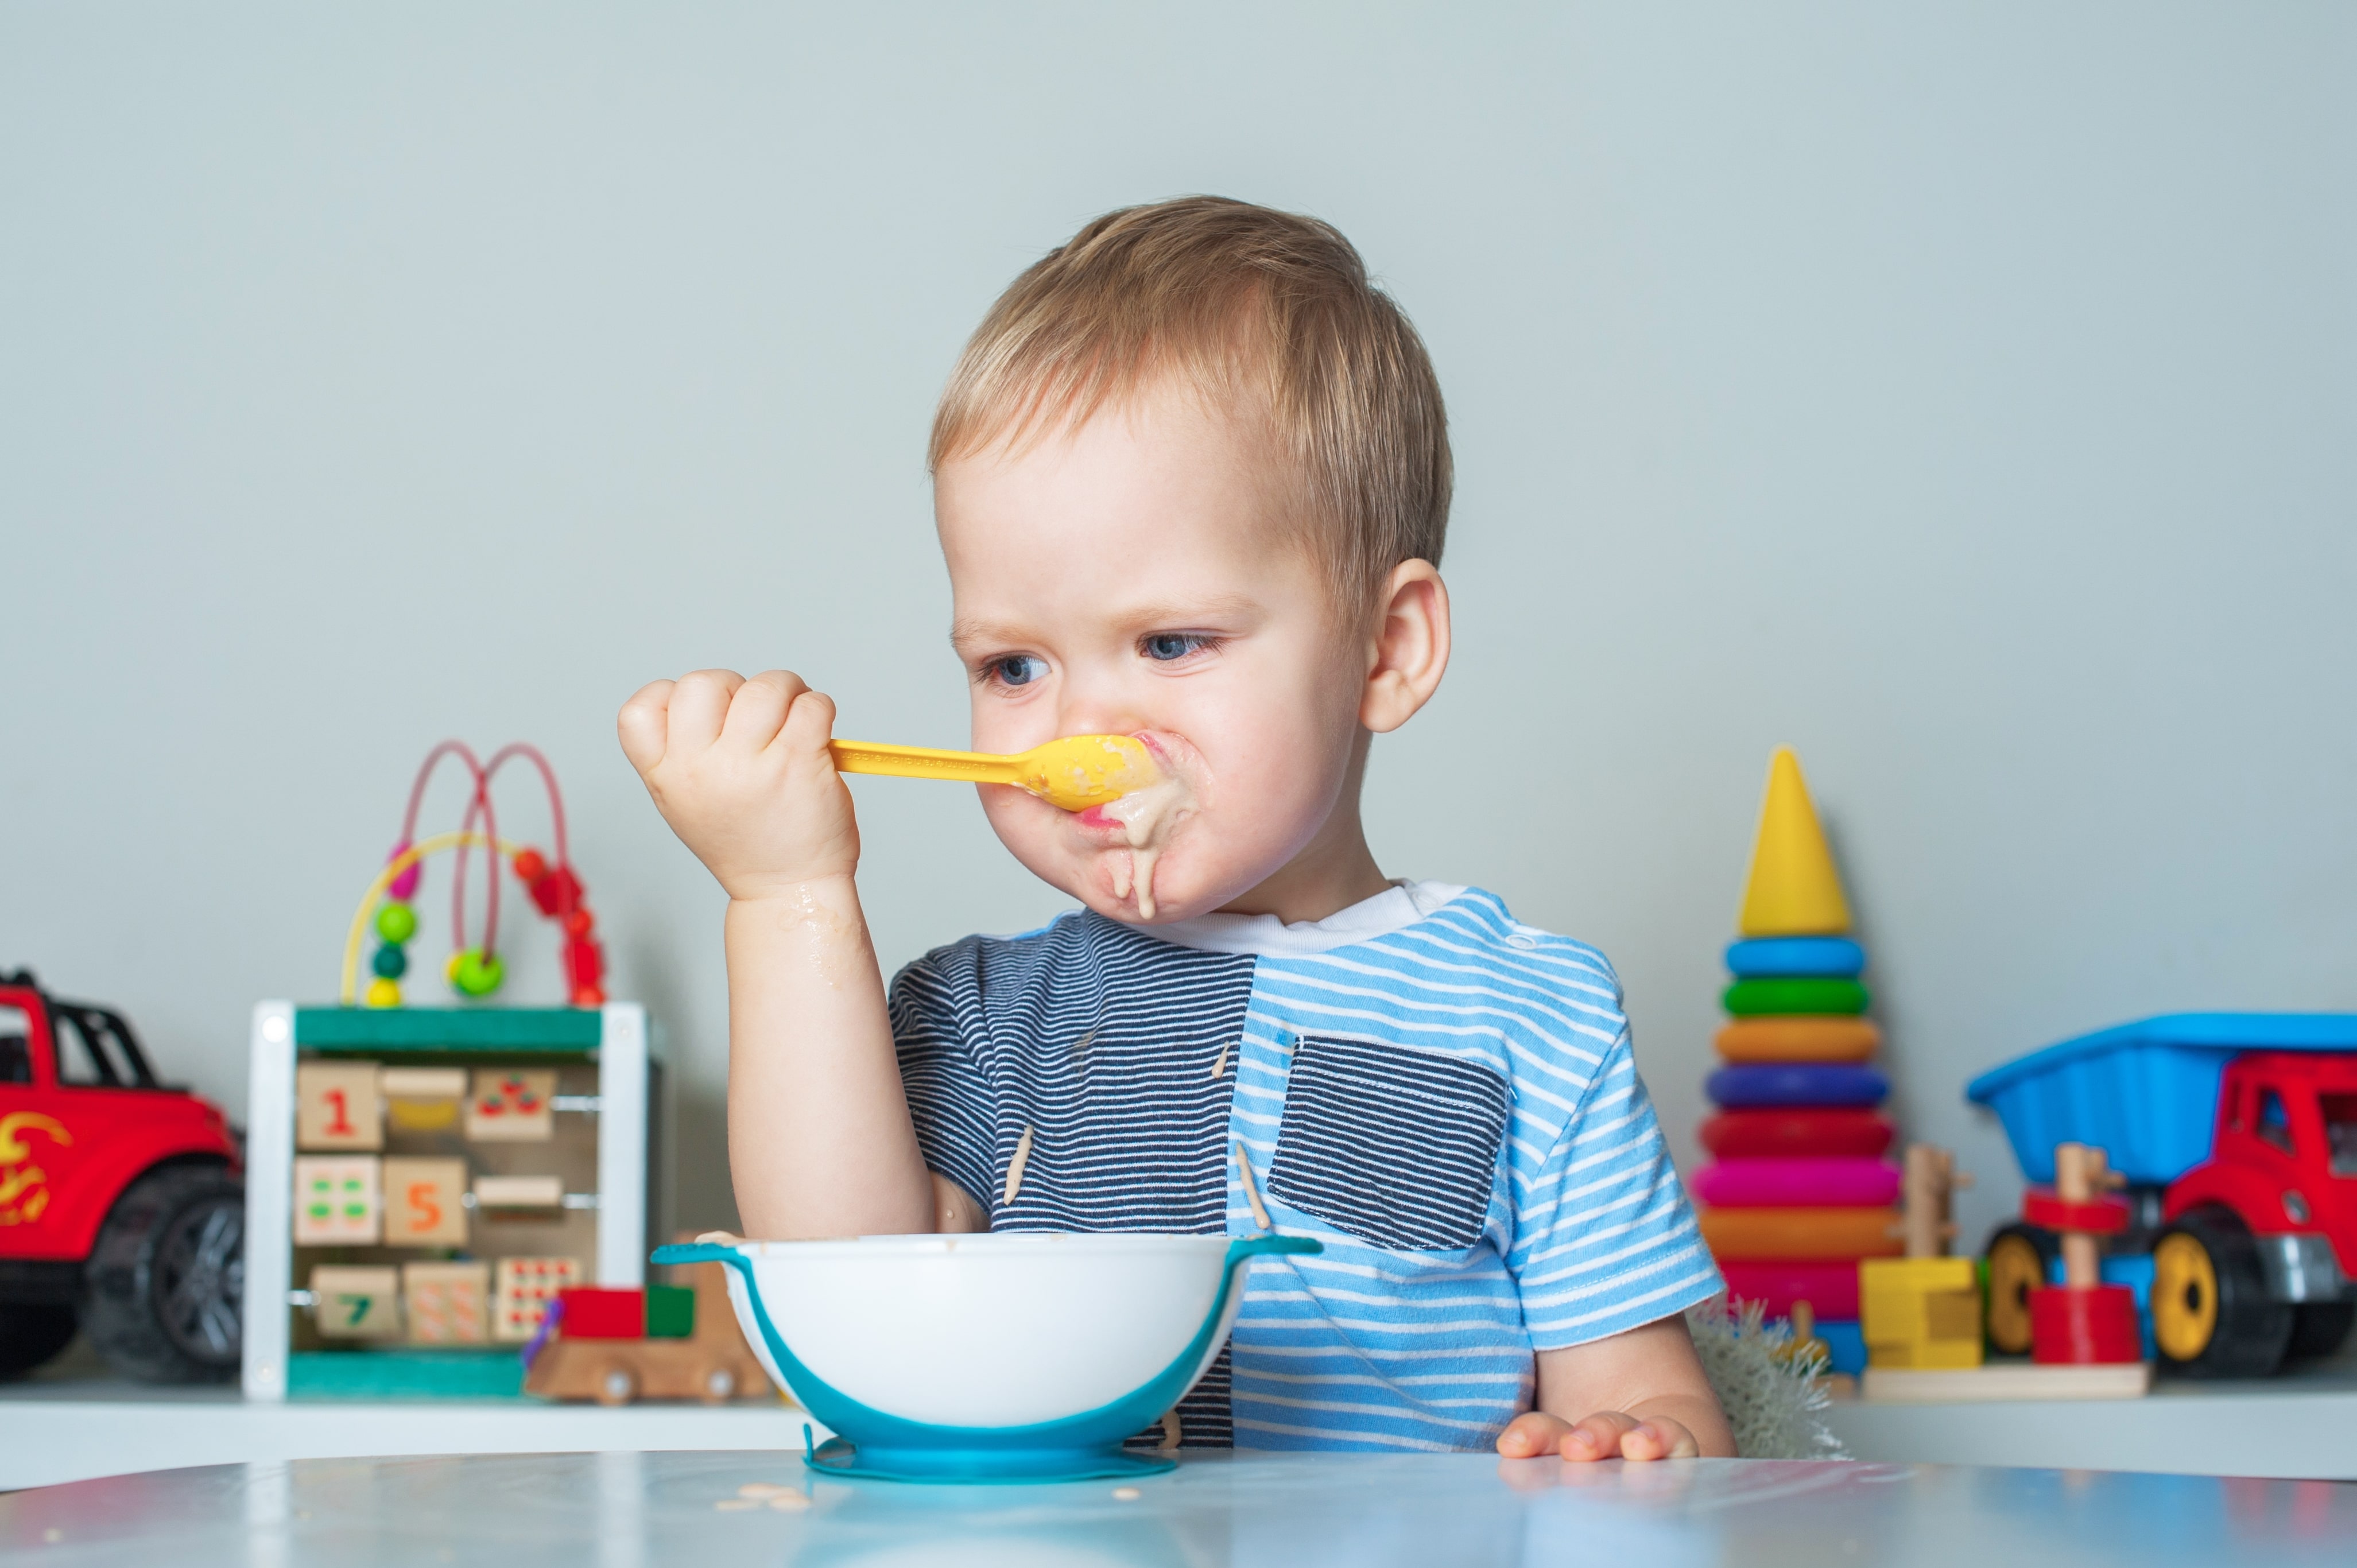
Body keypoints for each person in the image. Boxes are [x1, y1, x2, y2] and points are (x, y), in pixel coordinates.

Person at [619, 196, 1731, 1461]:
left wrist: (1630, 1453)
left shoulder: (1533, 1015)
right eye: (1012, 666)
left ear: (1387, 648)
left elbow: (1644, 1396)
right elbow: (846, 1295)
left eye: (1169, 643)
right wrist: (784, 894)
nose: (1076, 725)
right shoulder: (979, 1018)